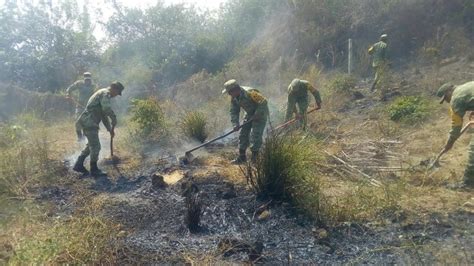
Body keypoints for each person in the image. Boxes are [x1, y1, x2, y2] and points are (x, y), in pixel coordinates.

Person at [72, 81, 124, 176]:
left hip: (88, 121)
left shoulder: (102, 93)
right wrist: (113, 117)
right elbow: (106, 109)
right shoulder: (105, 93)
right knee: (96, 146)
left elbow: (103, 116)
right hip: (89, 121)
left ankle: (78, 164)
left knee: (90, 146)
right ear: (114, 89)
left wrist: (109, 129)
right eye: (117, 93)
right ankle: (94, 169)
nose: (116, 95)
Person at [436, 81, 474, 188]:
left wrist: (450, 142)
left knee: (473, 149)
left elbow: (456, 125)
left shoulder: (456, 98)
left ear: (449, 91)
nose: (447, 101)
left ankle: (468, 183)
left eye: (446, 98)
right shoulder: (466, 86)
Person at [222, 79, 269, 164]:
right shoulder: (234, 98)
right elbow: (234, 111)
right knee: (243, 134)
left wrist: (257, 114)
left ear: (235, 90)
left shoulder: (251, 93)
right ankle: (242, 157)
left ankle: (255, 159)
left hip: (260, 114)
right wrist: (235, 124)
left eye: (229, 92)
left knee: (255, 135)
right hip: (249, 114)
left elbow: (263, 102)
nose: (229, 94)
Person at [66, 72, 96, 140]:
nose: (87, 81)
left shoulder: (94, 86)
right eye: (86, 79)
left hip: (89, 107)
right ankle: (80, 137)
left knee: (87, 123)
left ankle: (84, 137)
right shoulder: (79, 84)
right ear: (84, 78)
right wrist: (68, 94)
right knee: (77, 122)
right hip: (80, 106)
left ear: (90, 79)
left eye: (88, 79)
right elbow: (69, 88)